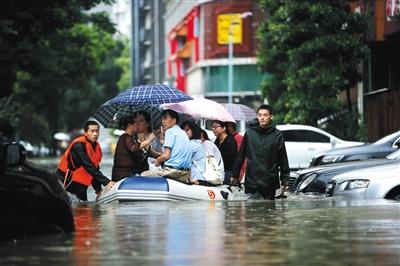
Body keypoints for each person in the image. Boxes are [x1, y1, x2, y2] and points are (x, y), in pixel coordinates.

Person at [231, 104, 290, 200]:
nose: (262, 118)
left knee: (269, 211)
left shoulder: (277, 135)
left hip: (270, 181)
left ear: (271, 117)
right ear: (257, 116)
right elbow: (241, 156)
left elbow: (283, 159)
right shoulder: (249, 133)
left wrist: (285, 180)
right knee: (251, 212)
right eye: (260, 115)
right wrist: (235, 175)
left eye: (265, 115)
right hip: (252, 180)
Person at [56, 120, 115, 201]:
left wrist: (98, 190)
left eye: (97, 131)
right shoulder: (78, 146)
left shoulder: (96, 146)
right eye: (92, 131)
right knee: (76, 207)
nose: (95, 134)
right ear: (85, 132)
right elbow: (88, 166)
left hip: (82, 184)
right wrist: (107, 182)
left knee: (84, 207)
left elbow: (95, 169)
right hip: (68, 182)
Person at [141, 109, 192, 183]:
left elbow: (166, 156)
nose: (163, 121)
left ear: (174, 120)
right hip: (185, 174)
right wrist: (190, 179)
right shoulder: (183, 133)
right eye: (162, 119)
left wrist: (158, 161)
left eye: (165, 118)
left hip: (172, 171)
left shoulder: (170, 131)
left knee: (143, 175)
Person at [111, 116, 156, 182]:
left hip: (130, 174)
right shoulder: (126, 137)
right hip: (122, 175)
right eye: (137, 124)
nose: (138, 127)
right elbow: (133, 148)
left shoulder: (132, 138)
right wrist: (148, 140)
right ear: (130, 125)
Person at [211, 120, 237, 184]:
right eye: (212, 127)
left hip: (228, 171)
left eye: (216, 127)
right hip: (219, 169)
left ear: (224, 128)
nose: (213, 129)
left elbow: (227, 160)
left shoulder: (230, 141)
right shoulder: (217, 139)